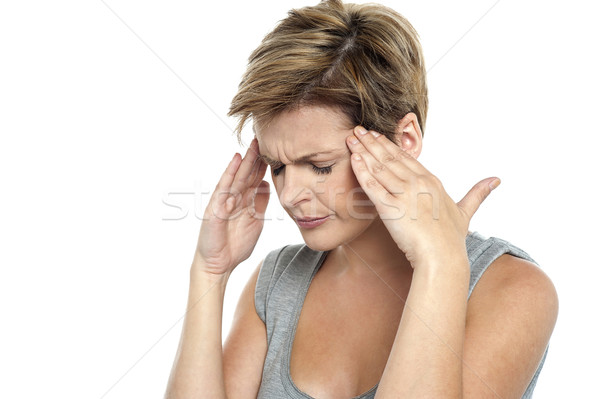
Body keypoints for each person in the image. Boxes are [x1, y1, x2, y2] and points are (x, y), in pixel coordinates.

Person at [165, 0, 558, 398]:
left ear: (404, 141)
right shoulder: (277, 282)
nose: (289, 195)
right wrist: (210, 273)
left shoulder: (513, 288)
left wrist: (441, 265)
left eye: (319, 165)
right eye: (277, 167)